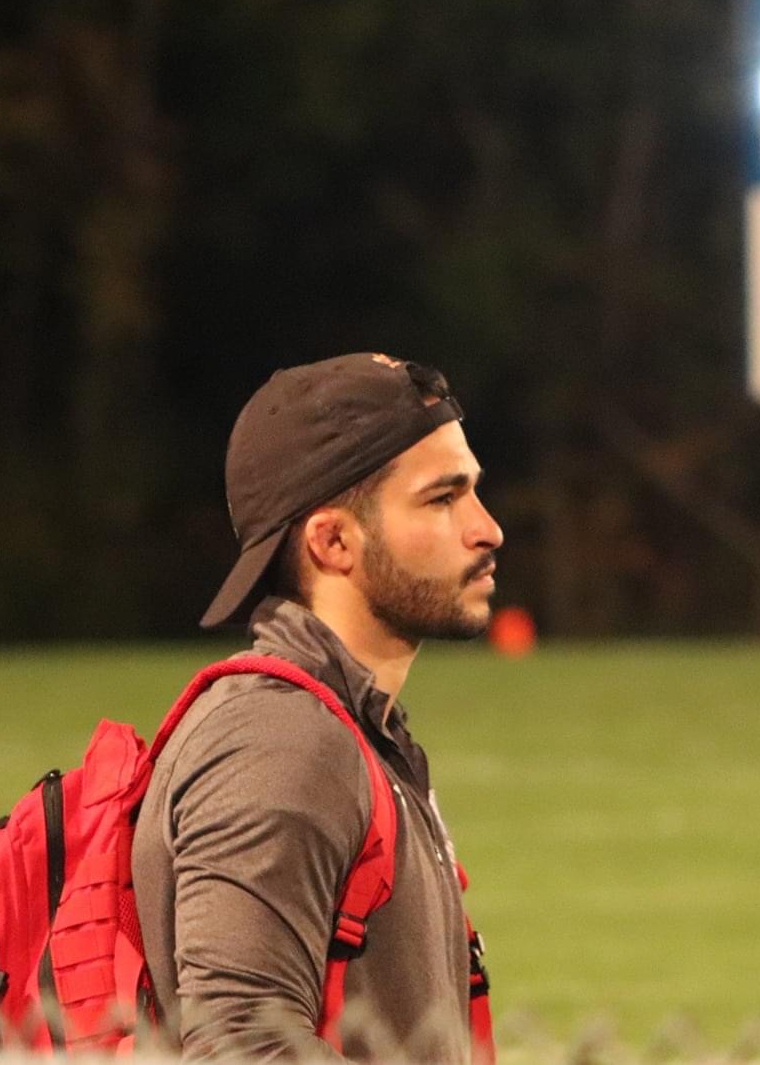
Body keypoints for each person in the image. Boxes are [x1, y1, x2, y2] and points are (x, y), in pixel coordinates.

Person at [132, 352, 503, 1061]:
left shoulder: (351, 726)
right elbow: (240, 1044)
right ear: (333, 540)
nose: (487, 529)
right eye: (443, 498)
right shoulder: (277, 739)